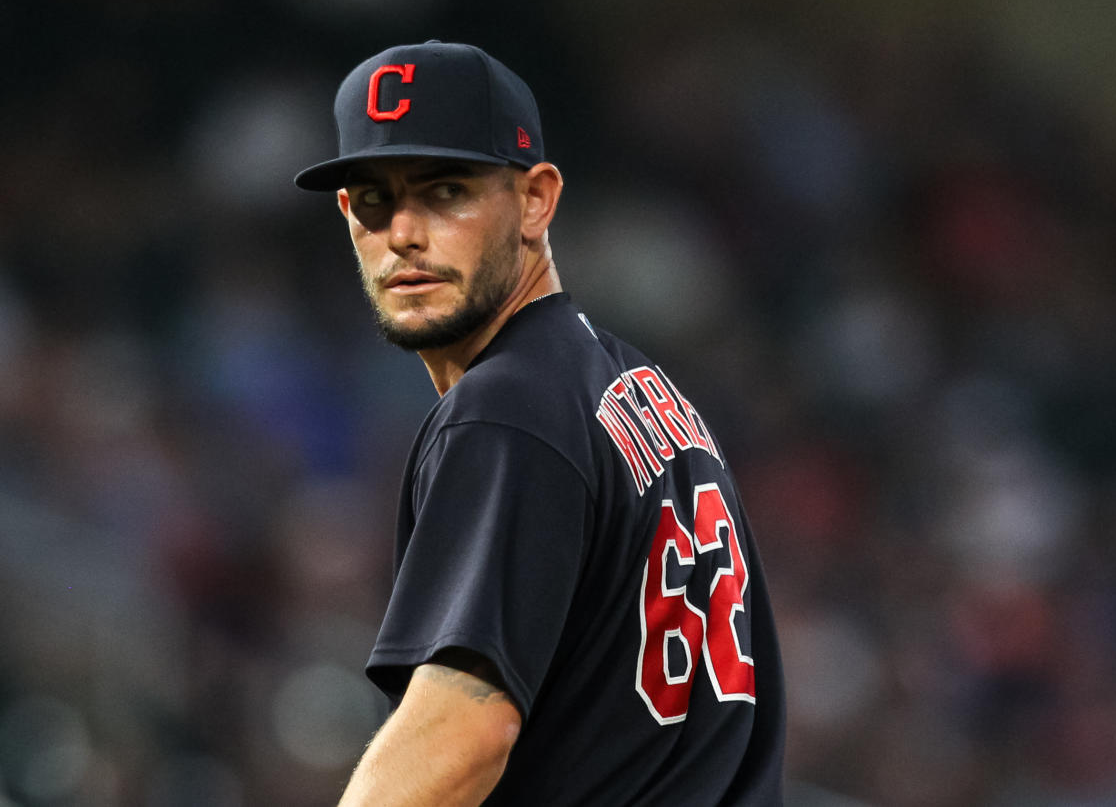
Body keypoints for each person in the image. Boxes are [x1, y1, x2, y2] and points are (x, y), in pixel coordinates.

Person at [295, 40, 786, 806]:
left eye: (446, 190)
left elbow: (463, 731)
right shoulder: (643, 393)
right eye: (373, 201)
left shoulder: (508, 409)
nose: (404, 234)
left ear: (536, 200)